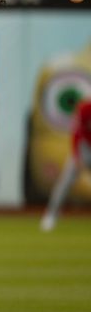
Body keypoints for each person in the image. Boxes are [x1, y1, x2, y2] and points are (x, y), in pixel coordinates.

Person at [40, 99, 91, 231]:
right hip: (84, 149)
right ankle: (51, 216)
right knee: (65, 183)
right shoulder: (85, 108)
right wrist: (77, 155)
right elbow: (77, 132)